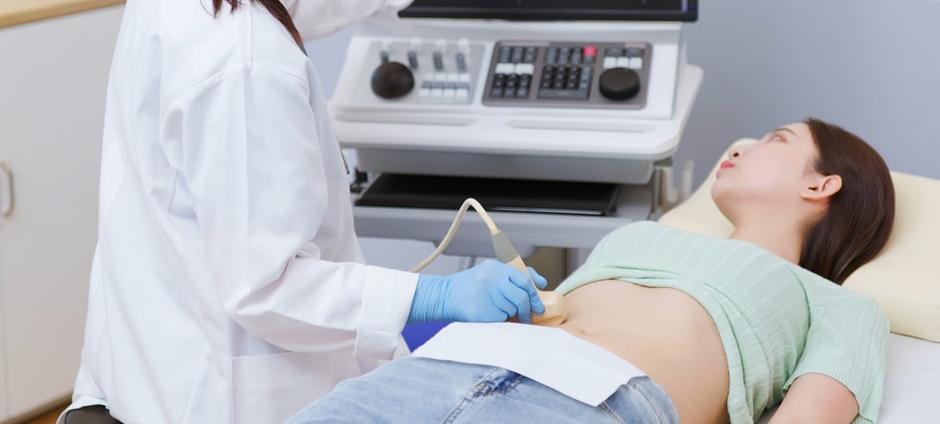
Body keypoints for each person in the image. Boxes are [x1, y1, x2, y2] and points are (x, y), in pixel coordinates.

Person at [61, 0, 546, 424]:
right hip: (215, 390)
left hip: (149, 340)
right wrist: (430, 298)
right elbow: (267, 287)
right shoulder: (246, 66)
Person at [289, 118, 897, 424]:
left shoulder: (834, 302)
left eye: (775, 139)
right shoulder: (647, 235)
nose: (738, 146)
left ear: (822, 183)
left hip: (595, 402)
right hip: (437, 368)